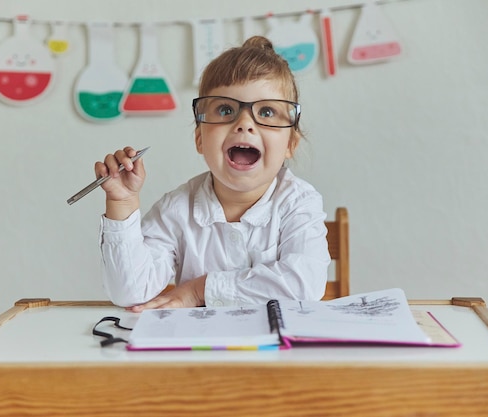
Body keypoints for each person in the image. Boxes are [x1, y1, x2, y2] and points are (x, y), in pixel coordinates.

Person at [95, 36, 330, 311]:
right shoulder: (177, 208)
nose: (244, 124)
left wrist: (198, 290)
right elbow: (129, 292)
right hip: (197, 352)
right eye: (226, 109)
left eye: (266, 111)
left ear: (290, 144)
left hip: (274, 352)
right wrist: (122, 203)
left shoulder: (299, 202)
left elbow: (304, 285)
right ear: (200, 140)